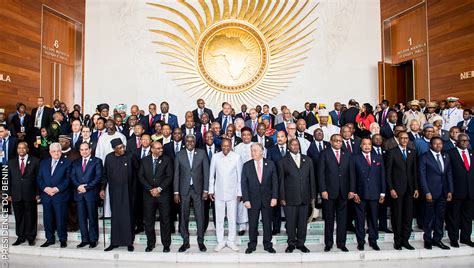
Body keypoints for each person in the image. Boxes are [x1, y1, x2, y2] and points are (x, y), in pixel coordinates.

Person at [318, 134, 355, 252]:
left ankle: (341, 243)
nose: (338, 143)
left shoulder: (347, 154)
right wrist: (323, 190)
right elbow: (321, 174)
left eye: (340, 141)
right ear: (331, 141)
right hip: (329, 192)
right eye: (336, 141)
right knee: (329, 219)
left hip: (344, 192)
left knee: (342, 219)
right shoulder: (324, 154)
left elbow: (352, 175)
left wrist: (352, 190)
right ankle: (328, 243)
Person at [173, 134, 209, 252]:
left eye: (192, 141)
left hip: (198, 190)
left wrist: (205, 190)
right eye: (187, 141)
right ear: (185, 142)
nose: (190, 143)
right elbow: (176, 174)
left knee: (200, 216)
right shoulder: (179, 154)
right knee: (184, 216)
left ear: (195, 142)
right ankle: (185, 241)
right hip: (184, 190)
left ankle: (201, 241)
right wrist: (176, 192)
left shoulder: (201, 153)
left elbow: (206, 173)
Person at [101, 138, 138, 252]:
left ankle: (129, 242)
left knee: (128, 216)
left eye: (123, 147)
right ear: (114, 149)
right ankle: (114, 242)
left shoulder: (130, 156)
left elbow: (137, 171)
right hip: (115, 192)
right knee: (116, 217)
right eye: (120, 148)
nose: (123, 149)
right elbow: (105, 175)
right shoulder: (109, 158)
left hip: (129, 191)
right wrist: (102, 189)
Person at [241, 143, 279, 254]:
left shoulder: (270, 164)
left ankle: (268, 245)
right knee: (253, 224)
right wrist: (246, 199)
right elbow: (244, 183)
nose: (253, 153)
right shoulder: (247, 165)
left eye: (256, 151)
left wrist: (274, 197)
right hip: (252, 200)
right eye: (252, 151)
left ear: (262, 152)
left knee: (267, 223)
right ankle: (252, 245)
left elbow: (275, 182)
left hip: (268, 199)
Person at [279, 138, 315, 253]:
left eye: (297, 144)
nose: (295, 146)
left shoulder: (308, 160)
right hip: (289, 198)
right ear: (288, 147)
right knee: (290, 223)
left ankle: (301, 243)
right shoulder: (283, 161)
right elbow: (281, 181)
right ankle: (291, 244)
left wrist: (313, 195)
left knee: (302, 223)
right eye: (292, 144)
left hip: (305, 197)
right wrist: (282, 197)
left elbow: (312, 179)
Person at [385, 131, 419, 250]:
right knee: (397, 216)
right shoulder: (391, 152)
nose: (404, 140)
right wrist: (391, 188)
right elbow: (388, 173)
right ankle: (398, 240)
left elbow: (414, 172)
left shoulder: (413, 152)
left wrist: (416, 188)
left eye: (406, 138)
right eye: (402, 138)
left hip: (410, 189)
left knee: (408, 216)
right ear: (398, 139)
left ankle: (406, 240)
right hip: (397, 190)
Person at [138, 141, 173, 253]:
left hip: (163, 195)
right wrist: (150, 189)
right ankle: (150, 243)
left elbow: (169, 176)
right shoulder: (144, 160)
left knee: (165, 220)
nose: (161, 150)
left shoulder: (167, 160)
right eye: (158, 148)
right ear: (152, 149)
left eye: (161, 148)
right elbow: (141, 176)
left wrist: (159, 189)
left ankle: (166, 244)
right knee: (148, 221)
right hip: (148, 195)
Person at [209, 138, 243, 252]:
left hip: (232, 193)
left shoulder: (236, 157)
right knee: (219, 219)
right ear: (221, 146)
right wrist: (211, 191)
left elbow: (240, 176)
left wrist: (239, 192)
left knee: (232, 218)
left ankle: (231, 241)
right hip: (218, 193)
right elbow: (211, 175)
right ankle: (220, 241)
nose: (225, 148)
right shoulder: (215, 157)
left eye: (228, 146)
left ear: (231, 145)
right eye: (223, 146)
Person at [419, 137, 453, 250]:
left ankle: (437, 240)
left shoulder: (446, 156)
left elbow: (449, 174)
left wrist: (450, 190)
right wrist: (426, 192)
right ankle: (427, 240)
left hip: (443, 192)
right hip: (431, 192)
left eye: (440, 144)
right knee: (429, 218)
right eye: (435, 143)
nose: (438, 146)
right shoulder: (424, 157)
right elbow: (422, 176)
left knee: (440, 217)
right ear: (430, 145)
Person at [352, 137, 386, 251]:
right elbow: (352, 177)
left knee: (373, 218)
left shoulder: (378, 157)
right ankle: (360, 241)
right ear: (361, 146)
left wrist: (382, 193)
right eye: (364, 144)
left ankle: (373, 240)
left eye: (369, 144)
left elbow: (382, 176)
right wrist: (354, 193)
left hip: (375, 193)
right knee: (359, 219)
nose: (367, 146)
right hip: (360, 194)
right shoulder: (355, 158)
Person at [37, 142, 72, 248]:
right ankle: (49, 239)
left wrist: (57, 189)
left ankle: (62, 239)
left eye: (58, 151)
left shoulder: (67, 163)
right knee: (47, 219)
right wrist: (45, 188)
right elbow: (39, 178)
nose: (56, 153)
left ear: (61, 152)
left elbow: (68, 179)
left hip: (60, 195)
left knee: (61, 218)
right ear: (50, 152)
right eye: (54, 151)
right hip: (47, 195)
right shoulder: (43, 163)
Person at [70, 142, 103, 249]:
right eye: (82, 150)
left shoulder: (97, 161)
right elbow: (72, 176)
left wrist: (86, 187)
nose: (84, 151)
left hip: (91, 194)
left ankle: (93, 240)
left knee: (92, 217)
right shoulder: (75, 162)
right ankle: (84, 239)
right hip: (79, 194)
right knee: (81, 218)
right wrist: (78, 186)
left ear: (90, 150)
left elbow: (98, 177)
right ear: (79, 151)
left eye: (86, 149)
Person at [8, 142, 40, 246]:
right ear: (17, 150)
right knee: (19, 216)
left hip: (30, 194)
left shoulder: (35, 161)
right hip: (16, 194)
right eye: (19, 148)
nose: (21, 150)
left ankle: (31, 237)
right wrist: (8, 193)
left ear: (27, 149)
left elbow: (38, 179)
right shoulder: (11, 162)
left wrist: (37, 193)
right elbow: (7, 179)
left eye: (23, 148)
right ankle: (20, 237)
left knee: (31, 216)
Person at [446, 133, 474, 248]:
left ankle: (465, 238)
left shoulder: (472, 153)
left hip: (470, 191)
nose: (465, 142)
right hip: (456, 190)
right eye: (463, 140)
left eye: (467, 140)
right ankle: (454, 239)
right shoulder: (450, 153)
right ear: (457, 141)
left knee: (467, 216)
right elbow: (448, 173)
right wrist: (450, 190)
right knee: (454, 216)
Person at [95, 119, 127, 218]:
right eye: (107, 125)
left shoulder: (121, 136)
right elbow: (99, 152)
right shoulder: (102, 137)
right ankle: (107, 214)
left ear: (115, 125)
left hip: (119, 167)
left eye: (111, 125)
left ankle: (118, 212)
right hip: (106, 167)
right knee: (106, 190)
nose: (109, 127)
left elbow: (124, 151)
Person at [233, 127, 254, 235]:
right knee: (242, 202)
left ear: (251, 135)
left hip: (254, 179)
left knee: (253, 202)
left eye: (248, 134)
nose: (246, 136)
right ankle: (242, 226)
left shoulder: (256, 146)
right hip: (241, 178)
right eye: (244, 135)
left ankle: (252, 226)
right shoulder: (237, 148)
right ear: (241, 136)